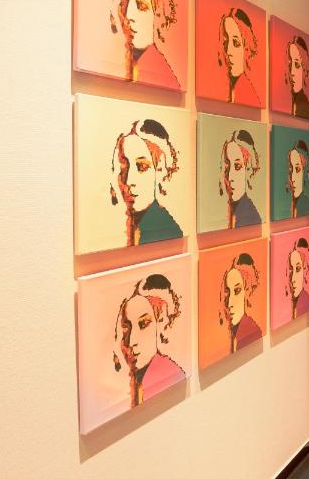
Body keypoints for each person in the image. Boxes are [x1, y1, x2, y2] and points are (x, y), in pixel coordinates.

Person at [112, 274, 185, 407]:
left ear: (160, 322)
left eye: (144, 324)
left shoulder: (168, 373)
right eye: (126, 328)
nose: (131, 341)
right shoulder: (135, 380)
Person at [110, 119, 182, 246]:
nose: (129, 181)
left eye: (142, 167)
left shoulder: (166, 230)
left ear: (159, 171)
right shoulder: (124, 227)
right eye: (124, 167)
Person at [110, 0, 180, 89]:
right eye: (124, 3)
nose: (129, 15)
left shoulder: (162, 76)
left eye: (141, 6)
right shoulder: (125, 63)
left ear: (158, 14)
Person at [219, 253, 263, 353]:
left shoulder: (252, 331)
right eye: (227, 292)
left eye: (237, 290)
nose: (229, 303)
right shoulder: (229, 332)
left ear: (247, 291)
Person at [218, 8, 261, 106]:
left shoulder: (248, 94)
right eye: (225, 42)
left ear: (247, 48)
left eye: (236, 43)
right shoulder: (227, 88)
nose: (228, 51)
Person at [219, 130, 262, 228]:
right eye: (227, 167)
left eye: (237, 166)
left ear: (248, 170)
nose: (230, 177)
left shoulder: (251, 218)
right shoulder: (228, 211)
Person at [284, 36, 309, 119]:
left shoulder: (305, 108)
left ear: (305, 68)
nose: (292, 72)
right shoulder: (288, 100)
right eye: (290, 64)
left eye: (297, 64)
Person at [285, 237, 309, 319]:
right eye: (291, 270)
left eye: (298, 269)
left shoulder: (307, 303)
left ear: (306, 271)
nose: (292, 279)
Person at [287, 140, 309, 217]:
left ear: (306, 171)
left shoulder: (305, 207)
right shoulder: (293, 204)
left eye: (297, 169)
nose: (292, 178)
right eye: (291, 169)